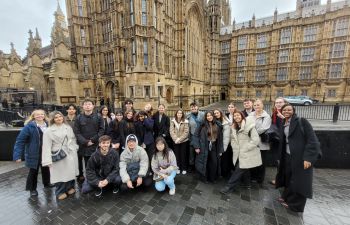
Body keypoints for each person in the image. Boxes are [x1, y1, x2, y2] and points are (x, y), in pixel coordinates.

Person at [276, 104, 321, 212]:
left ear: (294, 111)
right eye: (284, 110)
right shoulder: (284, 122)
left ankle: (296, 205)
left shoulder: (302, 121)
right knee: (289, 178)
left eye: (289, 110)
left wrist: (308, 158)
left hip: (301, 157)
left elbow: (313, 140)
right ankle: (287, 197)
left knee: (300, 181)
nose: (286, 111)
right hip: (288, 156)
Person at [220, 110, 262, 194]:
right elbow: (232, 138)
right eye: (235, 116)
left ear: (242, 116)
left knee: (239, 169)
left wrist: (245, 148)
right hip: (239, 152)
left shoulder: (249, 126)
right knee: (244, 167)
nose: (236, 117)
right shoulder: (234, 127)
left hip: (247, 152)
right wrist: (235, 147)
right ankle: (247, 184)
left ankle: (229, 186)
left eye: (238, 115)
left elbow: (256, 140)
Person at [13, 109, 52, 196]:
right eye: (37, 115)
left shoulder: (48, 125)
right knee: (33, 171)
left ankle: (47, 183)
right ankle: (32, 189)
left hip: (45, 151)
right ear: (33, 116)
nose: (40, 116)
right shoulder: (29, 127)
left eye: (42, 114)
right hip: (34, 152)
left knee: (46, 168)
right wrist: (17, 155)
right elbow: (20, 141)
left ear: (44, 115)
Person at [42, 111, 79, 200]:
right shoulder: (49, 131)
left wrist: (74, 147)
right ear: (52, 119)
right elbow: (46, 146)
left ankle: (70, 187)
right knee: (60, 174)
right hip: (58, 153)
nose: (59, 118)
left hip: (70, 152)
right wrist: (47, 160)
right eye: (56, 117)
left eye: (60, 116)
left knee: (71, 172)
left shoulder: (67, 127)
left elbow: (73, 138)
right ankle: (60, 191)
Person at [74, 99, 104, 183]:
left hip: (96, 145)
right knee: (88, 165)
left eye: (89, 104)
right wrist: (85, 142)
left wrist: (93, 140)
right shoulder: (79, 118)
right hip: (84, 146)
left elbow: (101, 130)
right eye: (86, 104)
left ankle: (98, 180)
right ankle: (90, 181)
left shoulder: (98, 117)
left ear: (93, 106)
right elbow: (77, 132)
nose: (87, 106)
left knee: (98, 163)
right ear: (82, 106)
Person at [192, 111, 224, 183]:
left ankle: (212, 178)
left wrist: (221, 150)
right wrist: (196, 147)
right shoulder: (202, 125)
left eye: (210, 115)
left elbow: (221, 138)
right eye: (207, 116)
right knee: (204, 162)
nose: (209, 117)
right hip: (204, 146)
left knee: (214, 162)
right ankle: (204, 178)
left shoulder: (218, 125)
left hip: (214, 146)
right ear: (206, 117)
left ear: (213, 116)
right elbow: (196, 135)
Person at [249, 99, 272, 186]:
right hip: (253, 142)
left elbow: (263, 128)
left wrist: (252, 133)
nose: (256, 107)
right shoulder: (251, 115)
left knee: (262, 162)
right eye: (255, 105)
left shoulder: (266, 116)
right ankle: (253, 177)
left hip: (262, 143)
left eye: (258, 105)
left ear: (262, 105)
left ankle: (260, 179)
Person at [270, 97, 287, 186]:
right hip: (277, 140)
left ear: (284, 103)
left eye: (280, 102)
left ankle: (282, 180)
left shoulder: (287, 113)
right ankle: (280, 179)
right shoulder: (274, 113)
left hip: (285, 141)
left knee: (283, 161)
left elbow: (293, 124)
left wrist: (284, 118)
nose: (278, 104)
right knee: (278, 161)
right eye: (276, 103)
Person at [170, 109, 189, 175]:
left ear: (182, 114)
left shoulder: (185, 121)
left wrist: (180, 139)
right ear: (176, 114)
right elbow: (171, 131)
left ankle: (184, 168)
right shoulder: (172, 121)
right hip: (175, 141)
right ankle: (177, 168)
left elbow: (186, 132)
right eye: (178, 113)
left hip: (183, 141)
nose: (179, 114)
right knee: (176, 155)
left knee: (183, 155)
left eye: (180, 113)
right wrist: (175, 139)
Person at [213, 109, 232, 178]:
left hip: (225, 144)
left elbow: (226, 137)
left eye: (217, 113)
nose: (216, 114)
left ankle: (225, 174)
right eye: (214, 113)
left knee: (225, 160)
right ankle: (221, 173)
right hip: (218, 143)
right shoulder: (215, 121)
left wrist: (223, 148)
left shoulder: (225, 122)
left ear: (220, 113)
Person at [187, 102, 205, 172]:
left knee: (200, 152)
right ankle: (191, 166)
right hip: (192, 136)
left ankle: (200, 167)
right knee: (191, 153)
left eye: (195, 107)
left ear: (197, 107)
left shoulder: (203, 114)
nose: (193, 108)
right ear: (190, 108)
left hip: (201, 136)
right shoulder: (188, 115)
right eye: (192, 107)